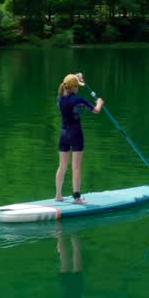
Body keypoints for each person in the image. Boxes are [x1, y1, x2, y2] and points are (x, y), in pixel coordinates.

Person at [56, 72, 103, 203]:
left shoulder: (59, 98)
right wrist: (99, 102)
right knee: (76, 167)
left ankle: (58, 195)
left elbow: (68, 84)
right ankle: (77, 198)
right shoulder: (79, 100)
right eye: (78, 86)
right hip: (76, 134)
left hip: (63, 134)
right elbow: (96, 110)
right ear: (74, 88)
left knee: (62, 166)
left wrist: (77, 77)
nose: (79, 88)